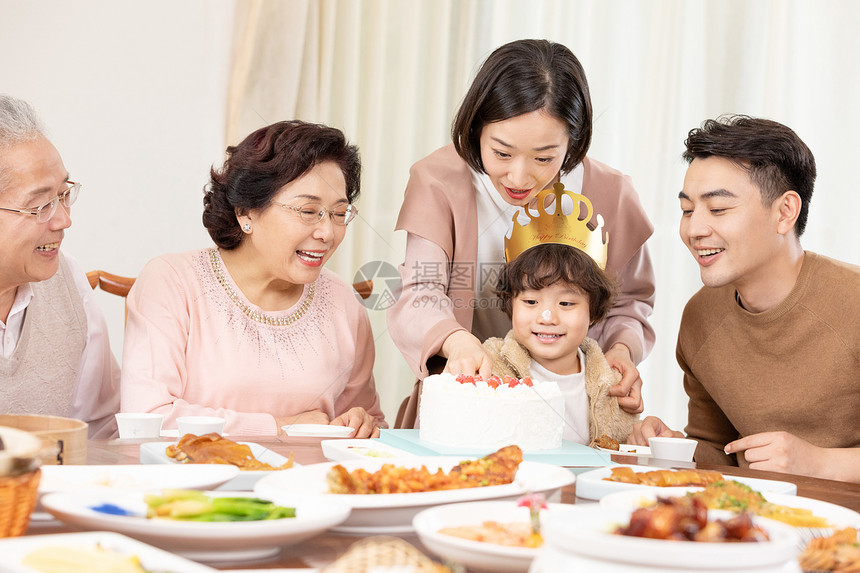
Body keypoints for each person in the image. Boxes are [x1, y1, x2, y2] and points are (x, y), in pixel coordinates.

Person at [388, 39, 655, 427]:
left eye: (544, 158)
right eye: (502, 152)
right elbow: (419, 291)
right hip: (474, 401)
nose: (518, 176)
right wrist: (456, 341)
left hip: (576, 411)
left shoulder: (610, 194)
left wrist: (621, 348)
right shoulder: (439, 181)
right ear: (476, 129)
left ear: (574, 141)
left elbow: (629, 301)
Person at [629, 115, 860, 483]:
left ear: (785, 212)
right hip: (755, 526)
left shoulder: (852, 302)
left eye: (718, 209)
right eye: (687, 210)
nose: (694, 229)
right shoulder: (700, 316)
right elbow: (717, 448)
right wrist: (673, 448)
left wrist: (816, 463)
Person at [121, 120, 386, 437]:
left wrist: (361, 423)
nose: (327, 233)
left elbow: (370, 423)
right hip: (200, 481)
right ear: (246, 211)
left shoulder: (342, 300)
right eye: (307, 210)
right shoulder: (172, 281)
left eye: (339, 214)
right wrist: (280, 427)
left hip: (309, 483)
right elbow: (146, 419)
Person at [0, 94, 119, 438]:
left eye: (64, 196)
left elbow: (99, 430)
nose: (63, 221)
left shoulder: (66, 280)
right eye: (40, 206)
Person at [483, 242, 638, 446]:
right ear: (511, 304)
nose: (547, 318)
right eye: (531, 302)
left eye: (565, 303)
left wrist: (642, 434)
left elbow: (625, 445)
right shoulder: (489, 368)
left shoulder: (611, 381)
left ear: (593, 312)